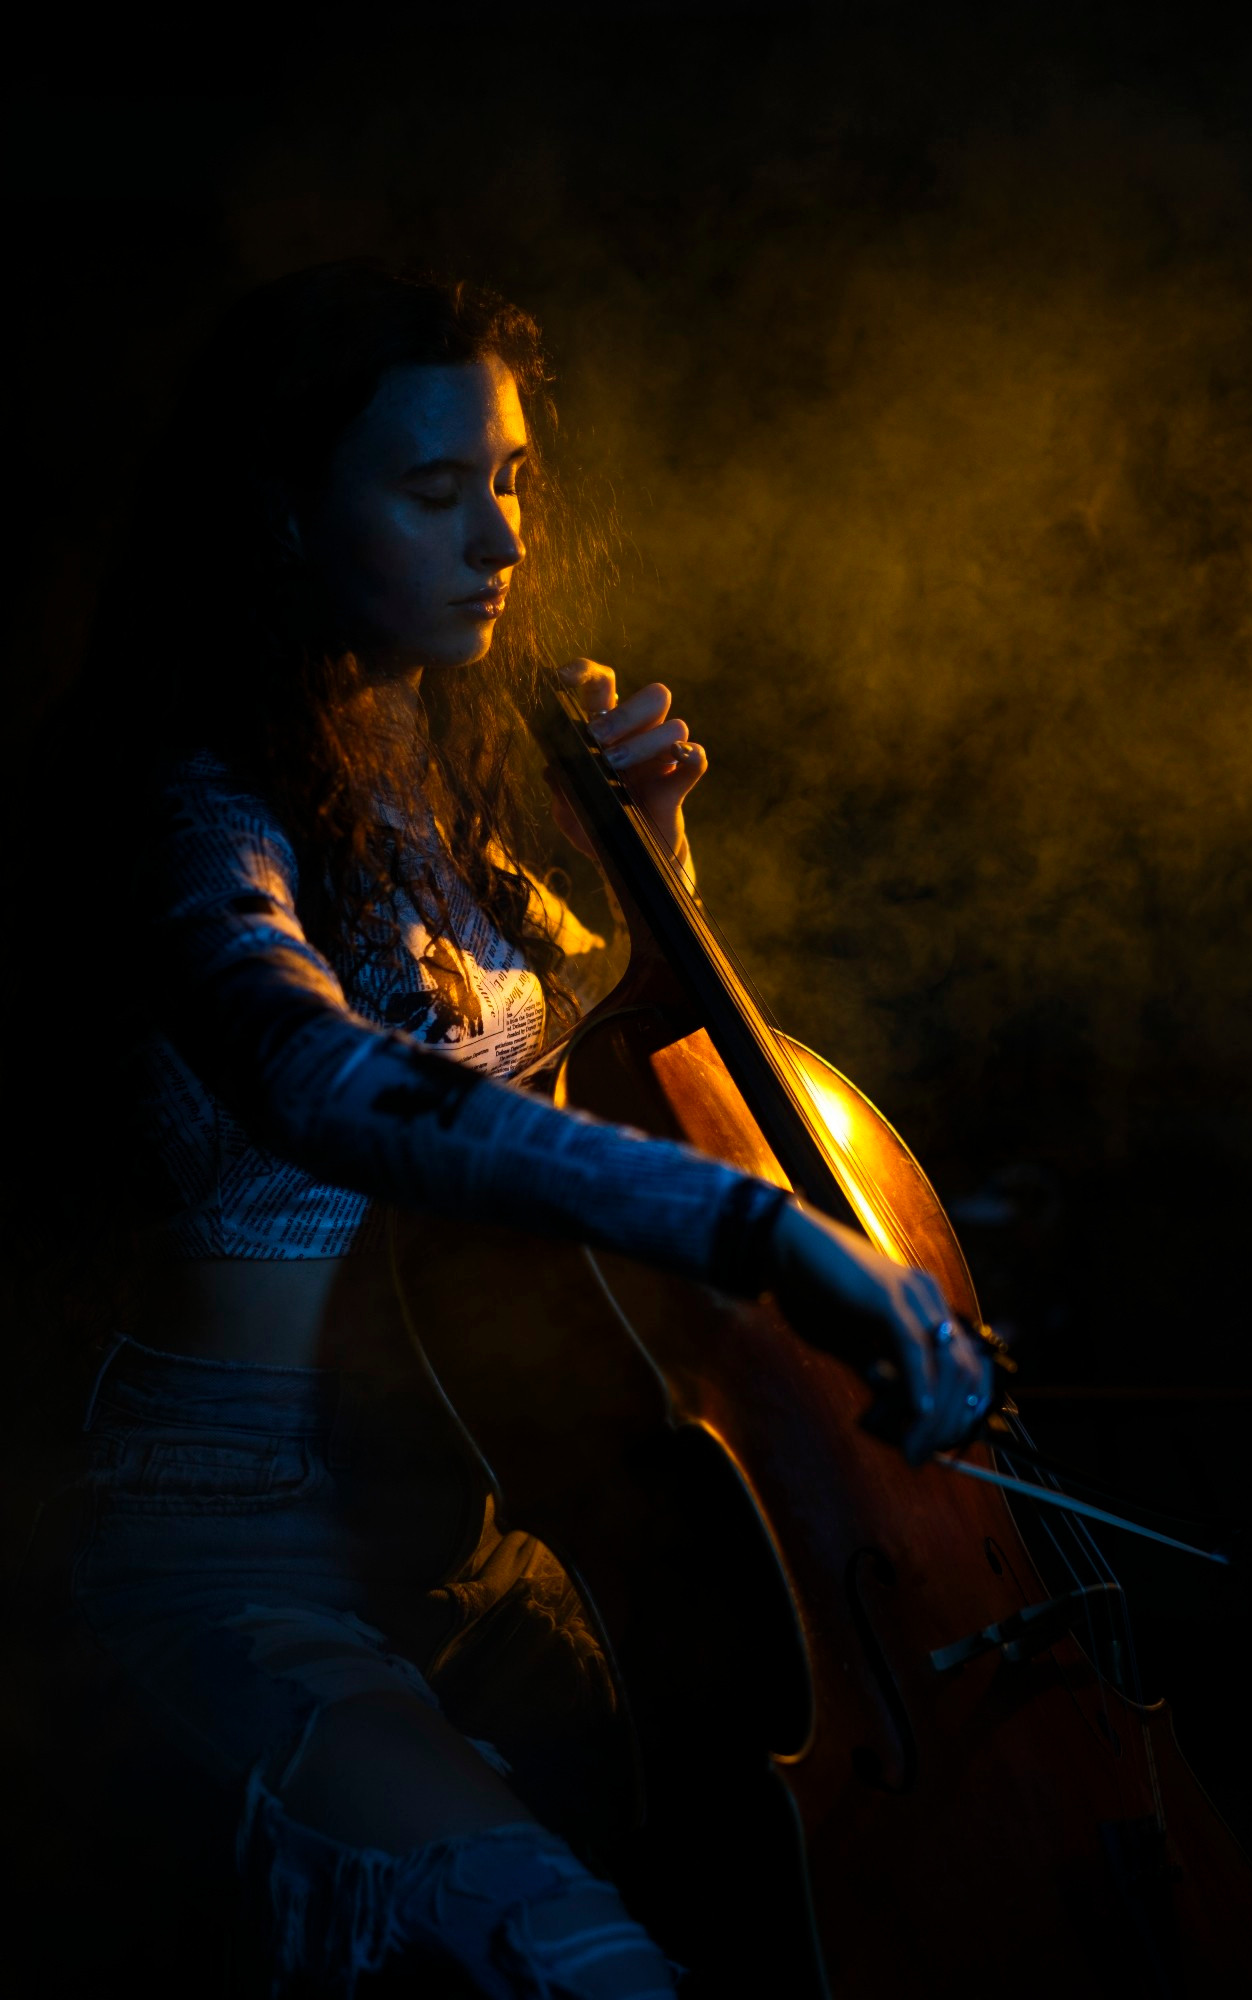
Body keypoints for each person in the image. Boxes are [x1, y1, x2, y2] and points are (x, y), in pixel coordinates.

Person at [9, 260, 991, 1997]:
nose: (503, 540)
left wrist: (655, 871)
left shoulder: (419, 748)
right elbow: (326, 1085)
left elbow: (546, 1083)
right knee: (581, 1964)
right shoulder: (184, 791)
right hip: (234, 1532)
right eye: (437, 489)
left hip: (478, 1531)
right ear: (286, 508)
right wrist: (765, 1236)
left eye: (515, 481)